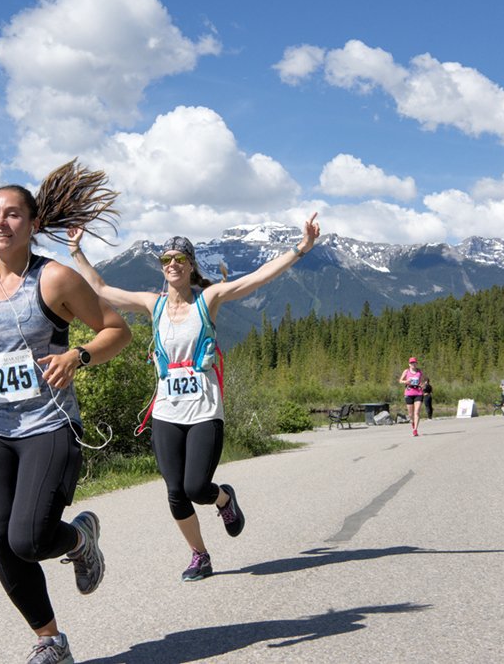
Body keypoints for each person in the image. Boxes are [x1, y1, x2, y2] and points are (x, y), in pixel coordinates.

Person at [0, 161, 132, 664]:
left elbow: (117, 331)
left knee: (30, 537)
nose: (1, 222)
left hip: (51, 424)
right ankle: (50, 641)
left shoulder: (54, 279)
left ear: (32, 225)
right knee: (0, 541)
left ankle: (80, 539)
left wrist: (77, 355)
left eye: (13, 214)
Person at [68, 213, 320, 581]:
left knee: (196, 487)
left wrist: (302, 248)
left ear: (190, 266)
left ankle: (224, 499)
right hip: (167, 411)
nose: (172, 264)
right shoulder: (152, 305)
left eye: (179, 259)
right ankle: (199, 555)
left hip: (204, 410)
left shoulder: (209, 300)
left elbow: (257, 278)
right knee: (175, 492)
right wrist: (76, 250)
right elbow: (102, 289)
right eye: (166, 259)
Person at [399, 358, 425, 435]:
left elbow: (424, 380)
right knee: (410, 414)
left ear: (416, 363)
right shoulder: (406, 371)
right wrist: (406, 381)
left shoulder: (419, 371)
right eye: (411, 363)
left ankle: (415, 430)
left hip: (418, 393)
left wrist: (422, 385)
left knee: (416, 412)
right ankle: (413, 423)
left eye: (414, 363)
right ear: (409, 364)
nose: (413, 364)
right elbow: (400, 380)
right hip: (409, 393)